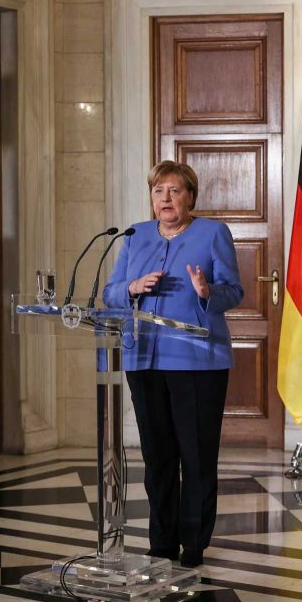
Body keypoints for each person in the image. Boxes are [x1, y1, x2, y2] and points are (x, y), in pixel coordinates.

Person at [103, 160, 244, 568]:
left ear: (190, 196)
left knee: (195, 456)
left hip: (198, 361)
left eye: (174, 191)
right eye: (158, 191)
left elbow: (234, 291)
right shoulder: (135, 235)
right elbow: (111, 292)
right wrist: (131, 287)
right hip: (143, 358)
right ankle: (162, 542)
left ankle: (193, 544)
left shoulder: (213, 233)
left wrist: (206, 291)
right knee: (158, 455)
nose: (165, 198)